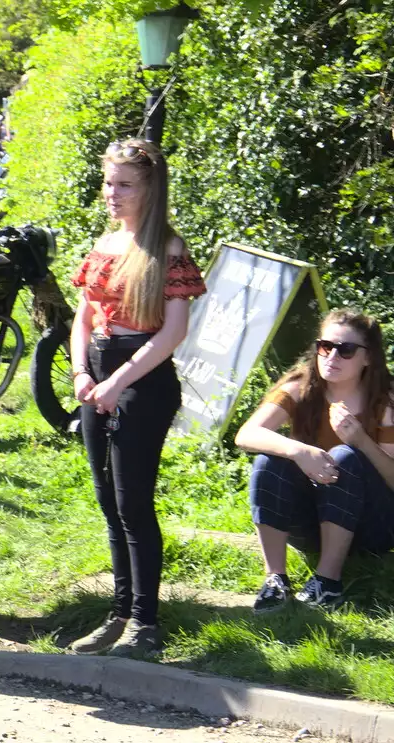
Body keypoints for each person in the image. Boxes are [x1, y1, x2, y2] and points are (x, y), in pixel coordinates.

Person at [65, 138, 205, 658]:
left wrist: (117, 382)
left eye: (124, 184)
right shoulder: (106, 243)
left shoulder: (167, 249)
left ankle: (145, 624)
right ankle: (118, 614)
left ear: (150, 188)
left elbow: (171, 335)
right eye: (109, 182)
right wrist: (82, 373)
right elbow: (82, 316)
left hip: (141, 384)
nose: (113, 193)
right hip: (97, 376)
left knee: (132, 504)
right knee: (107, 501)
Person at [236, 311, 394, 612]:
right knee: (270, 461)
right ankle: (275, 579)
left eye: (346, 350)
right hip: (311, 524)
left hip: (374, 526)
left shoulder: (386, 400)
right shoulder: (299, 387)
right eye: (325, 346)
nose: (332, 356)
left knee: (345, 457)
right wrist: (298, 451)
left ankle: (327, 582)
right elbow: (246, 434)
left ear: (368, 358)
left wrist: (362, 441)